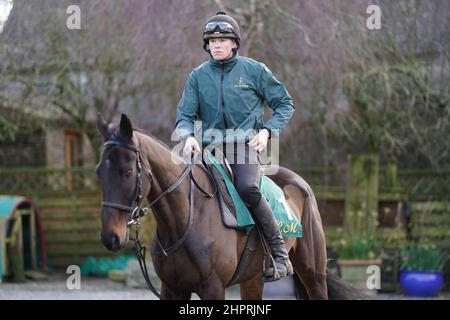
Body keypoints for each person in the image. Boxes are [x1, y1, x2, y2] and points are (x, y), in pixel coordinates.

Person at [175, 11, 295, 281]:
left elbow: (285, 105)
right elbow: (183, 116)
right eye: (212, 40)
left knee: (247, 188)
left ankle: (279, 254)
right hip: (208, 149)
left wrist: (267, 132)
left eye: (223, 39)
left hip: (244, 146)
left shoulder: (254, 70)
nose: (216, 44)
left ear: (234, 43)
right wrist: (187, 135)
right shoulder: (197, 77)